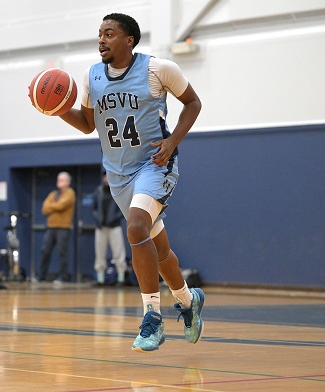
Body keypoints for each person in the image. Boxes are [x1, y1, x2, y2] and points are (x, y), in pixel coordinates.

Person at [54, 13, 203, 352]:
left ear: (129, 40)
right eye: (100, 34)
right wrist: (57, 108)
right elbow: (88, 124)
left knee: (136, 227)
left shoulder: (158, 69)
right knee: (160, 250)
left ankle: (152, 317)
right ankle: (187, 298)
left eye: (109, 33)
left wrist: (173, 141)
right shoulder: (92, 76)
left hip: (154, 164)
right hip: (118, 176)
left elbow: (193, 103)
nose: (101, 40)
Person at [37, 172, 76, 284]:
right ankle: (41, 275)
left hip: (63, 228)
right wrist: (54, 206)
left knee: (62, 252)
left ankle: (63, 277)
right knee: (45, 251)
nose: (59, 182)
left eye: (62, 180)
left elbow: (61, 206)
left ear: (68, 182)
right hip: (51, 227)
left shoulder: (70, 193)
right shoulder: (53, 194)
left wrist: (52, 206)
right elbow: (44, 209)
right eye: (58, 179)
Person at [92, 171, 127, 286]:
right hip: (101, 227)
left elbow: (123, 208)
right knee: (100, 252)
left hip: (114, 226)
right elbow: (94, 208)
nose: (106, 179)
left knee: (118, 252)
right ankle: (100, 279)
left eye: (109, 176)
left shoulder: (118, 191)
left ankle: (121, 277)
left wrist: (115, 219)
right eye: (105, 176)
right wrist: (98, 220)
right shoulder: (98, 192)